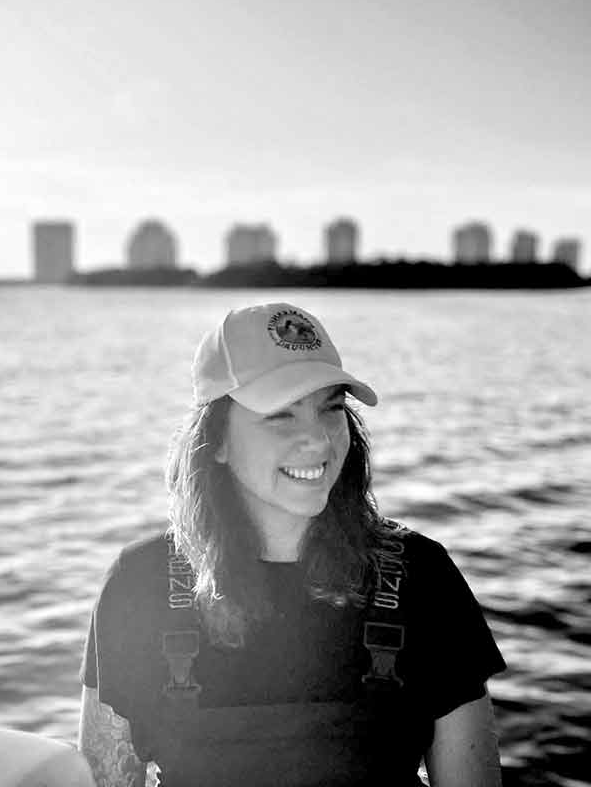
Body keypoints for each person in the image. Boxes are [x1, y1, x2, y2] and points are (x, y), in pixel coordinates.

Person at [79, 302, 506, 786]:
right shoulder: (140, 584)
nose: (319, 442)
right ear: (215, 440)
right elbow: (105, 777)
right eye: (281, 415)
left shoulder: (422, 576)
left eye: (331, 408)